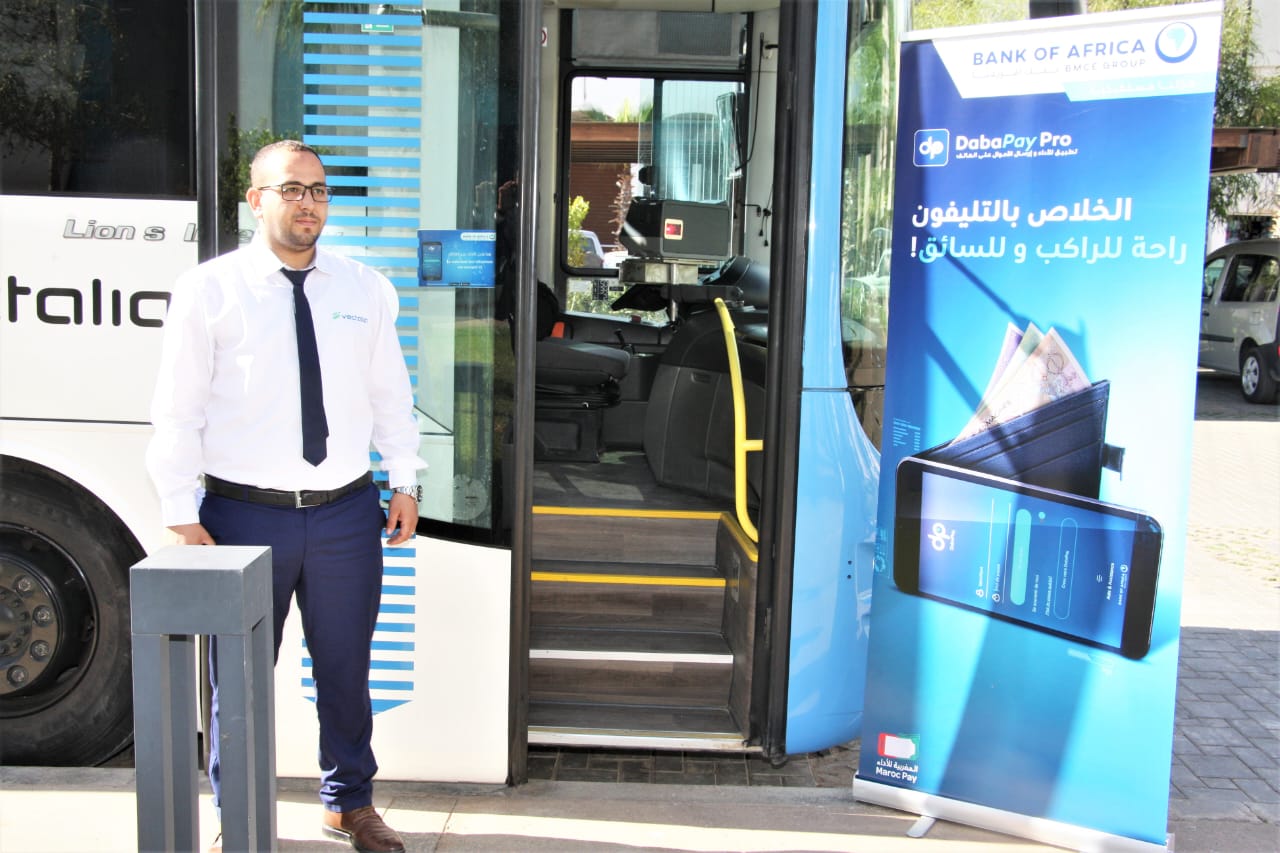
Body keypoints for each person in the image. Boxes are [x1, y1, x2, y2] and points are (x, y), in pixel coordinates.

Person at [146, 140, 424, 853]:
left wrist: (404, 478)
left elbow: (390, 393)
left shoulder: (364, 288)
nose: (309, 203)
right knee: (236, 679)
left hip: (345, 514)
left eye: (319, 191)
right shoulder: (209, 290)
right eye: (292, 189)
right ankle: (236, 815)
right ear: (256, 201)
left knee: (345, 670)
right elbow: (178, 409)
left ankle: (348, 804)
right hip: (241, 516)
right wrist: (179, 510)